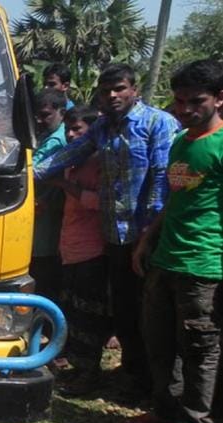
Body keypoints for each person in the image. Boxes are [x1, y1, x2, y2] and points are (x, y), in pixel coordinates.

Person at [34, 63, 180, 397]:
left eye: (119, 89)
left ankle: (157, 389)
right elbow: (70, 153)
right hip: (115, 237)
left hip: (149, 238)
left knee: (154, 315)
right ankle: (133, 377)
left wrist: (147, 234)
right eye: (106, 90)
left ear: (135, 89)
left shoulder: (158, 123)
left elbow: (161, 179)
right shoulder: (103, 128)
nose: (112, 96)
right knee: (125, 311)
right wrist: (27, 174)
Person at [129, 59, 223, 423]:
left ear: (220, 98)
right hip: (165, 258)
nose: (184, 109)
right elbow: (177, 199)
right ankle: (165, 410)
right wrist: (147, 239)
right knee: (159, 341)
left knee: (200, 348)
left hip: (204, 266)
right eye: (179, 100)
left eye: (195, 101)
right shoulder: (183, 142)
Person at [48, 105, 110, 395]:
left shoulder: (99, 163)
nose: (71, 135)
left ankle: (90, 374)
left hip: (91, 251)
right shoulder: (72, 162)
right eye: (69, 129)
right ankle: (77, 367)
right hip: (70, 248)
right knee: (72, 310)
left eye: (77, 130)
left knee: (89, 316)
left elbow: (100, 202)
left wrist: (63, 184)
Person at [30, 88, 67, 303]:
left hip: (46, 215)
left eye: (46, 115)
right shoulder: (47, 136)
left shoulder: (57, 141)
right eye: (38, 115)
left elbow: (34, 170)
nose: (40, 120)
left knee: (42, 274)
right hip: (41, 214)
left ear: (61, 112)